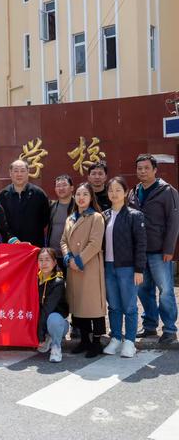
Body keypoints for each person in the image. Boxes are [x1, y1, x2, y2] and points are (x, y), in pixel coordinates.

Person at [128, 153, 179, 344]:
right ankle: (150, 326)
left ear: (155, 170)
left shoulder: (167, 191)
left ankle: (169, 328)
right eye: (139, 168)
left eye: (146, 168)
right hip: (139, 252)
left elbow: (174, 222)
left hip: (159, 252)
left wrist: (169, 249)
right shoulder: (134, 191)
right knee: (144, 290)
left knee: (165, 290)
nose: (142, 171)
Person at [60, 182, 106, 358]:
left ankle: (96, 342)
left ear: (91, 197)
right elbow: (63, 240)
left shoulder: (96, 217)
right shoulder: (70, 218)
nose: (81, 198)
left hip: (90, 266)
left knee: (93, 306)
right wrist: (68, 258)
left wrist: (78, 261)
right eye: (78, 194)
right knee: (79, 305)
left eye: (85, 194)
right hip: (74, 267)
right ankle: (84, 340)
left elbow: (95, 244)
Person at [103, 177, 147, 358]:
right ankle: (115, 338)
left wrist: (139, 269)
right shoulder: (104, 215)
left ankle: (129, 341)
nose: (114, 193)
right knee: (113, 305)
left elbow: (141, 244)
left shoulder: (134, 215)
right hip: (108, 267)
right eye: (111, 190)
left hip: (127, 268)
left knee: (129, 306)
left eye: (118, 190)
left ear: (126, 192)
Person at [0, 159, 49, 247]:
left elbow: (45, 219)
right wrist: (12, 239)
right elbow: (1, 222)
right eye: (16, 171)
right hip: (11, 245)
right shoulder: (3, 196)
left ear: (28, 172)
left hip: (34, 246)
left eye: (22, 171)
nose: (19, 174)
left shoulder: (39, 194)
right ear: (10, 173)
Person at [36, 248, 69, 363]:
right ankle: (47, 337)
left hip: (58, 323)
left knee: (53, 319)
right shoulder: (34, 279)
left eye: (47, 260)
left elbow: (47, 310)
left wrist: (40, 336)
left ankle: (56, 346)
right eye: (40, 260)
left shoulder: (58, 282)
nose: (44, 263)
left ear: (54, 262)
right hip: (42, 321)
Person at [46, 174, 75, 273]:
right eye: (58, 186)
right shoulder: (52, 206)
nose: (61, 188)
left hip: (72, 255)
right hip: (54, 256)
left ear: (72, 188)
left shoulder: (78, 206)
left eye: (64, 185)